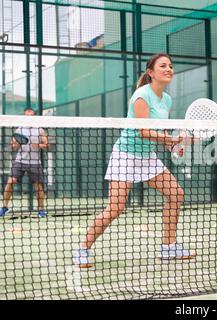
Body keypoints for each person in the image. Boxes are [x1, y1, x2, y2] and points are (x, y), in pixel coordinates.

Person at [73, 53, 196, 268]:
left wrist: (172, 144)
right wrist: (171, 138)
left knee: (175, 194)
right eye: (163, 66)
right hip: (125, 156)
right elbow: (143, 131)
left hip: (147, 157)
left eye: (170, 66)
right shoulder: (142, 95)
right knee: (115, 208)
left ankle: (168, 247)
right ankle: (83, 249)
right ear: (151, 72)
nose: (169, 69)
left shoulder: (166, 99)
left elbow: (160, 130)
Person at [0, 107, 49, 218]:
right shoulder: (19, 130)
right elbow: (12, 146)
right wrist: (16, 145)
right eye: (26, 116)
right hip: (20, 161)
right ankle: (4, 207)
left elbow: (47, 145)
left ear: (34, 116)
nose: (28, 118)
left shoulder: (40, 130)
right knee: (11, 181)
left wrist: (39, 145)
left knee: (38, 186)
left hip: (35, 162)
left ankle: (41, 210)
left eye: (30, 115)